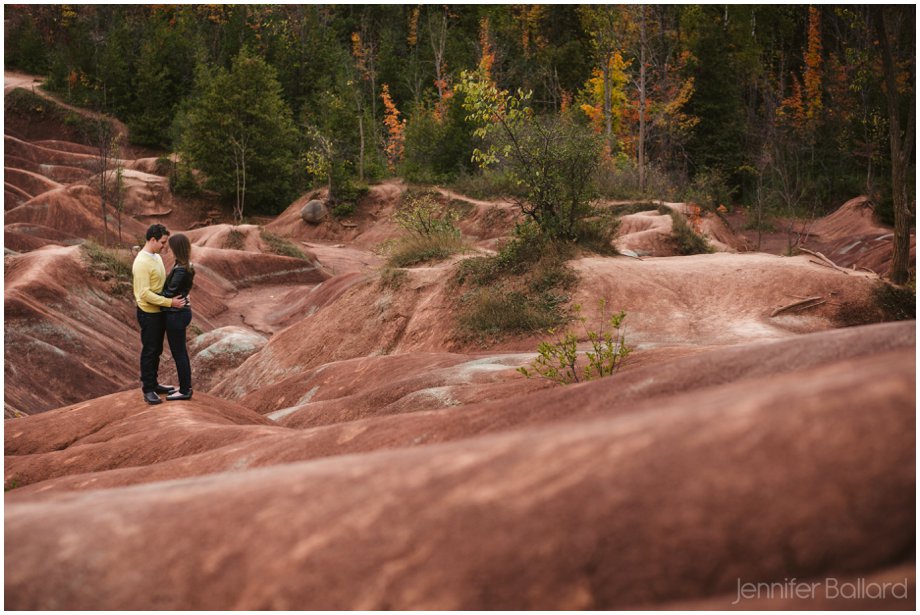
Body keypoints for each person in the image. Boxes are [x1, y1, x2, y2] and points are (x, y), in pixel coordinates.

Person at [132, 224, 186, 405]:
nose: (165, 246)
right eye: (162, 242)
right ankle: (148, 389)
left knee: (157, 350)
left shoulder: (155, 257)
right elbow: (144, 294)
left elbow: (161, 285)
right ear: (153, 239)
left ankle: (154, 384)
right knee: (150, 350)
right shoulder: (141, 262)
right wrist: (171, 302)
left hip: (159, 311)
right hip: (149, 313)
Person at [160, 233, 195, 401]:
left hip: (176, 314)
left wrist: (152, 294)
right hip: (181, 312)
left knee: (179, 353)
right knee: (180, 352)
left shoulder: (180, 269)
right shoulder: (185, 265)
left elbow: (169, 292)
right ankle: (184, 387)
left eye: (170, 245)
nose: (168, 247)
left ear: (176, 248)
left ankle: (185, 390)